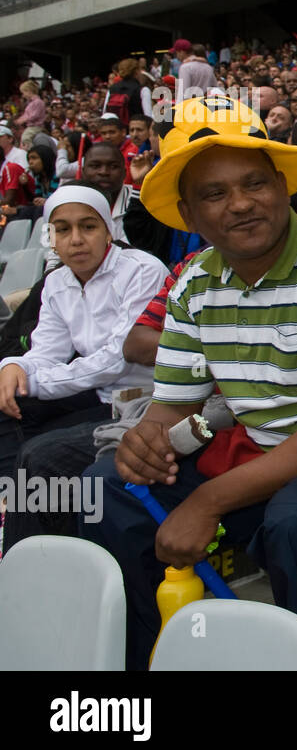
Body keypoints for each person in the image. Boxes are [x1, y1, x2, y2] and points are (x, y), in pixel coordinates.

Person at [80, 95, 297, 672]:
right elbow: (172, 404)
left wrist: (207, 501)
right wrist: (146, 441)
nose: (241, 204)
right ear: (188, 215)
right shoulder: (193, 281)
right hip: (252, 457)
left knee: (296, 523)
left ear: (281, 186)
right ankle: (149, 662)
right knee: (106, 488)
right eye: (214, 194)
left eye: (254, 184)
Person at [0, 184, 167, 544]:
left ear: (108, 230)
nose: (76, 239)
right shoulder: (57, 282)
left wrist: (35, 381)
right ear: (52, 237)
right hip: (99, 394)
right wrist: (15, 368)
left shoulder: (140, 270)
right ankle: (23, 514)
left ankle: (28, 549)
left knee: (39, 456)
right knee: (10, 404)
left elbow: (116, 358)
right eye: (63, 229)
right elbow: (46, 352)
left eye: (88, 227)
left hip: (143, 401)